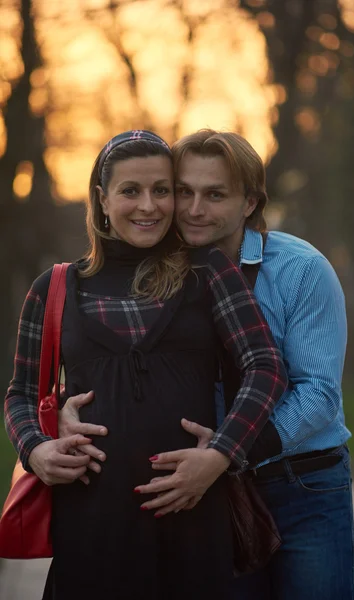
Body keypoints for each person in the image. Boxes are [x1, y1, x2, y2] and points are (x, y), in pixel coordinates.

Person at [3, 130, 287, 600]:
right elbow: (20, 395)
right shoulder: (53, 288)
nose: (149, 206)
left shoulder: (208, 271)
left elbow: (265, 367)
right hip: (92, 526)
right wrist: (35, 450)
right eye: (130, 191)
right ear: (102, 198)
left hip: (193, 517)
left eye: (161, 190)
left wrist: (219, 456)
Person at [136, 129, 354, 600]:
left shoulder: (301, 270)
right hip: (207, 492)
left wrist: (225, 455)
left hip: (304, 487)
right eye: (184, 192)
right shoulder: (156, 273)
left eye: (215, 195)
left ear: (250, 202)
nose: (195, 209)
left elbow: (318, 395)